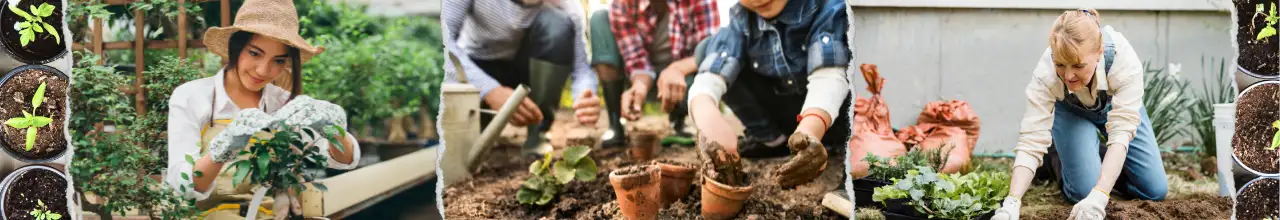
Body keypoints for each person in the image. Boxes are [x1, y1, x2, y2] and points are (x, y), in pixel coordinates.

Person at [164, 0, 361, 218]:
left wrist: (333, 130)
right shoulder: (193, 96)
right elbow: (181, 185)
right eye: (255, 53)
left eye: (278, 60)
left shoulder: (283, 104)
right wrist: (221, 150)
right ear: (236, 47)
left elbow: (344, 161)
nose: (263, 70)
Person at [991, 9, 1167, 220]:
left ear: (1099, 51)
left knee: (1154, 190)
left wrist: (1101, 194)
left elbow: (1121, 133)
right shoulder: (1045, 73)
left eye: (1078, 65)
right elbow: (1031, 140)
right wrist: (1012, 202)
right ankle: (1056, 159)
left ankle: (1085, 154)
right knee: (1083, 192)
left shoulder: (1122, 59)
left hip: (1118, 111)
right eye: (1060, 65)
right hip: (1071, 114)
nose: (1068, 75)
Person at [687, 0, 851, 188]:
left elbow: (828, 76)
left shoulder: (827, 7)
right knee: (706, 50)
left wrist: (810, 130)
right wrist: (707, 117)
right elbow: (711, 75)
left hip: (829, 116)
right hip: (784, 115)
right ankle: (771, 141)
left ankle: (835, 144)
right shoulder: (741, 19)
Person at [442, 0, 597, 156]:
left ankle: (539, 132)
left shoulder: (569, 5)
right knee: (467, 145)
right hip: (478, 68)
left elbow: (582, 68)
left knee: (557, 25)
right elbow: (443, 45)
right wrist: (489, 90)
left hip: (525, 71)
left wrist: (585, 94)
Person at [573, 0, 719, 147]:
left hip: (683, 80)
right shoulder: (622, 4)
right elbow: (636, 60)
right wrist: (639, 86)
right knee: (600, 17)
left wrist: (678, 69)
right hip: (643, 79)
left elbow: (712, 51)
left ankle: (679, 120)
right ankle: (615, 123)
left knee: (705, 72)